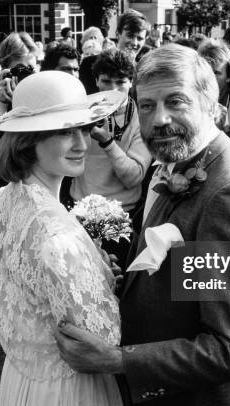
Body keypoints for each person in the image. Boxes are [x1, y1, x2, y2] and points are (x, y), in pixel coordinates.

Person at [55, 44, 230, 406]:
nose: (159, 119)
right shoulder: (173, 160)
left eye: (175, 101)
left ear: (211, 104)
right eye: (147, 105)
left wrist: (115, 360)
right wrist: (129, 281)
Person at [0, 70, 126, 405]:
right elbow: (102, 338)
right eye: (65, 131)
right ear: (28, 139)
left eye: (83, 128)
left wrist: (92, 269)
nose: (82, 143)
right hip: (68, 387)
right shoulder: (57, 236)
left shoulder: (6, 197)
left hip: (23, 375)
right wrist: (106, 285)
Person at [69, 48, 152, 266]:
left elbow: (133, 176)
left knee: (115, 286)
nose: (113, 89)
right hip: (80, 210)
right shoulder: (79, 111)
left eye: (121, 82)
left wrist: (107, 143)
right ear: (96, 80)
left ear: (131, 82)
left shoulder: (142, 119)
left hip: (118, 213)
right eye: (106, 81)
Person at [79, 9, 149, 94]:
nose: (134, 43)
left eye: (140, 38)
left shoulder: (143, 72)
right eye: (130, 36)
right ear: (117, 34)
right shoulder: (89, 64)